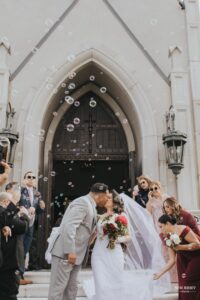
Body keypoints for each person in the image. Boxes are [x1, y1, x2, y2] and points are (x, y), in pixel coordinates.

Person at [84, 192, 171, 300]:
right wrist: (82, 246)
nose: (106, 199)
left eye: (109, 198)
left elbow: (128, 237)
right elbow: (93, 235)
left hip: (114, 253)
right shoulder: (100, 217)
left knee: (115, 281)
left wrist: (116, 239)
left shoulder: (121, 217)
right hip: (98, 254)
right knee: (100, 281)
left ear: (115, 202)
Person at [48, 182, 109, 300]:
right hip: (65, 254)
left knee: (71, 289)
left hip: (76, 255)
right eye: (106, 196)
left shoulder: (91, 205)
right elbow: (69, 227)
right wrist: (70, 251)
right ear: (99, 195)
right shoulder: (82, 203)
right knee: (58, 290)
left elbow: (84, 229)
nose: (107, 199)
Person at [154, 214, 200, 300]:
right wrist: (160, 273)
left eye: (161, 226)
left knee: (188, 280)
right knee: (183, 285)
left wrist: (181, 247)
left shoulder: (183, 229)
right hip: (183, 259)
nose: (160, 230)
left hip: (196, 257)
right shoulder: (167, 237)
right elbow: (172, 260)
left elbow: (198, 244)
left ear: (167, 223)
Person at [0, 192, 29, 300]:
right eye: (13, 203)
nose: (16, 206)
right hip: (7, 260)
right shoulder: (3, 212)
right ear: (5, 202)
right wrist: (24, 216)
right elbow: (22, 227)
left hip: (4, 259)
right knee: (9, 291)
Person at [19, 171, 45, 267]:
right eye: (29, 177)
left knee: (26, 247)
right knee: (20, 247)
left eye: (33, 177)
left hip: (31, 223)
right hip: (21, 221)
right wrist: (22, 209)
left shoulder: (37, 193)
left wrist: (41, 208)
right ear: (24, 179)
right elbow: (15, 203)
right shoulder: (20, 190)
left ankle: (21, 271)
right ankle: (18, 272)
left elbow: (37, 211)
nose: (31, 178)